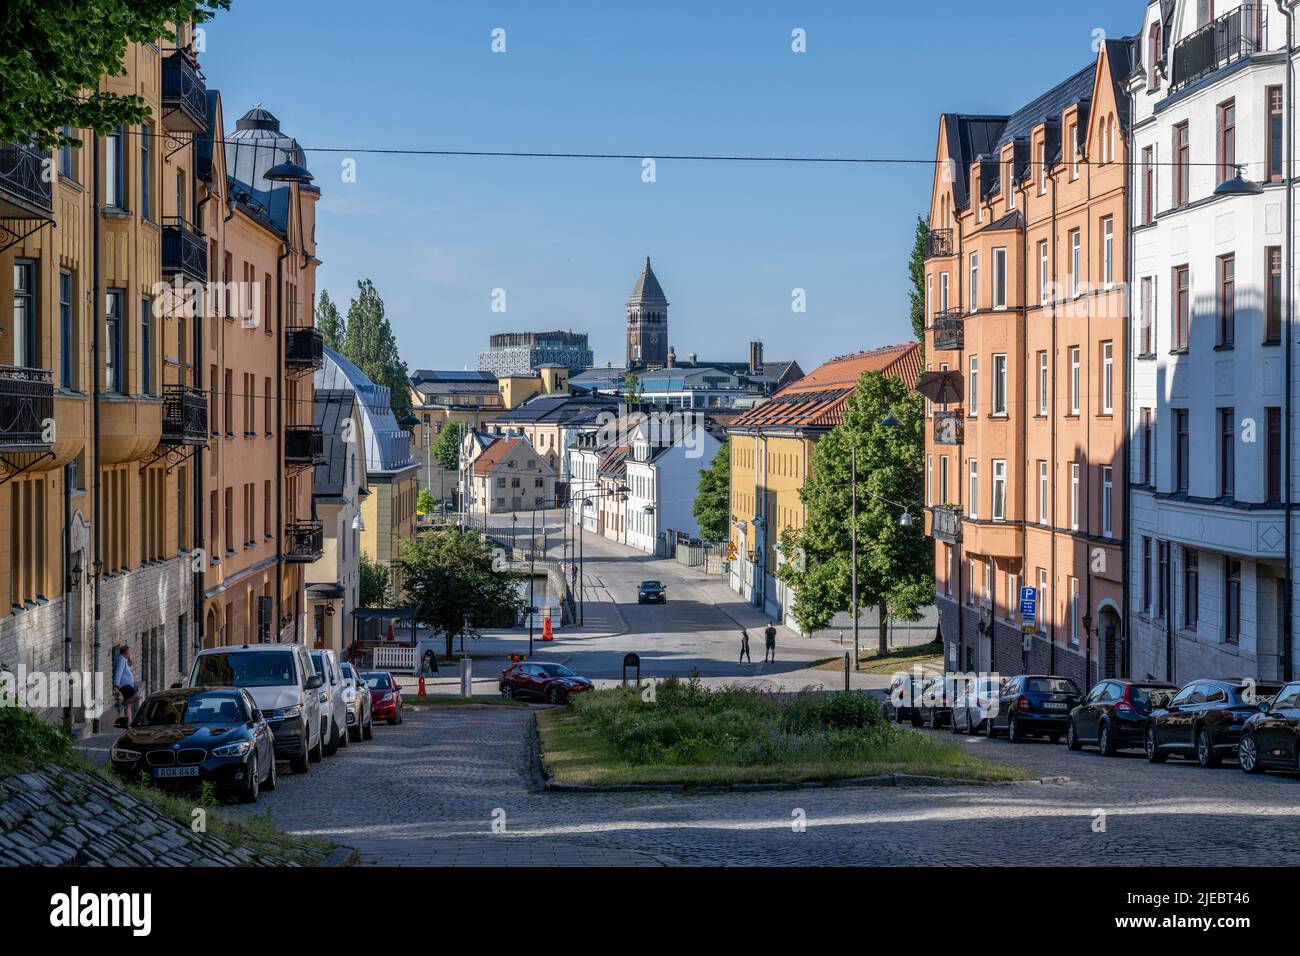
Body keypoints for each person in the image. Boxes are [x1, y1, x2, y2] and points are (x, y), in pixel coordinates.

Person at [113, 644, 139, 723]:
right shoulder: (121, 660)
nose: (129, 654)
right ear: (125, 653)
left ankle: (128, 723)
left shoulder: (123, 660)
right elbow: (119, 672)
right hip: (124, 685)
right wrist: (116, 685)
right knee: (136, 697)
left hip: (128, 685)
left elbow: (125, 671)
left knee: (128, 706)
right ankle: (123, 703)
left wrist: (129, 662)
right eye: (128, 652)